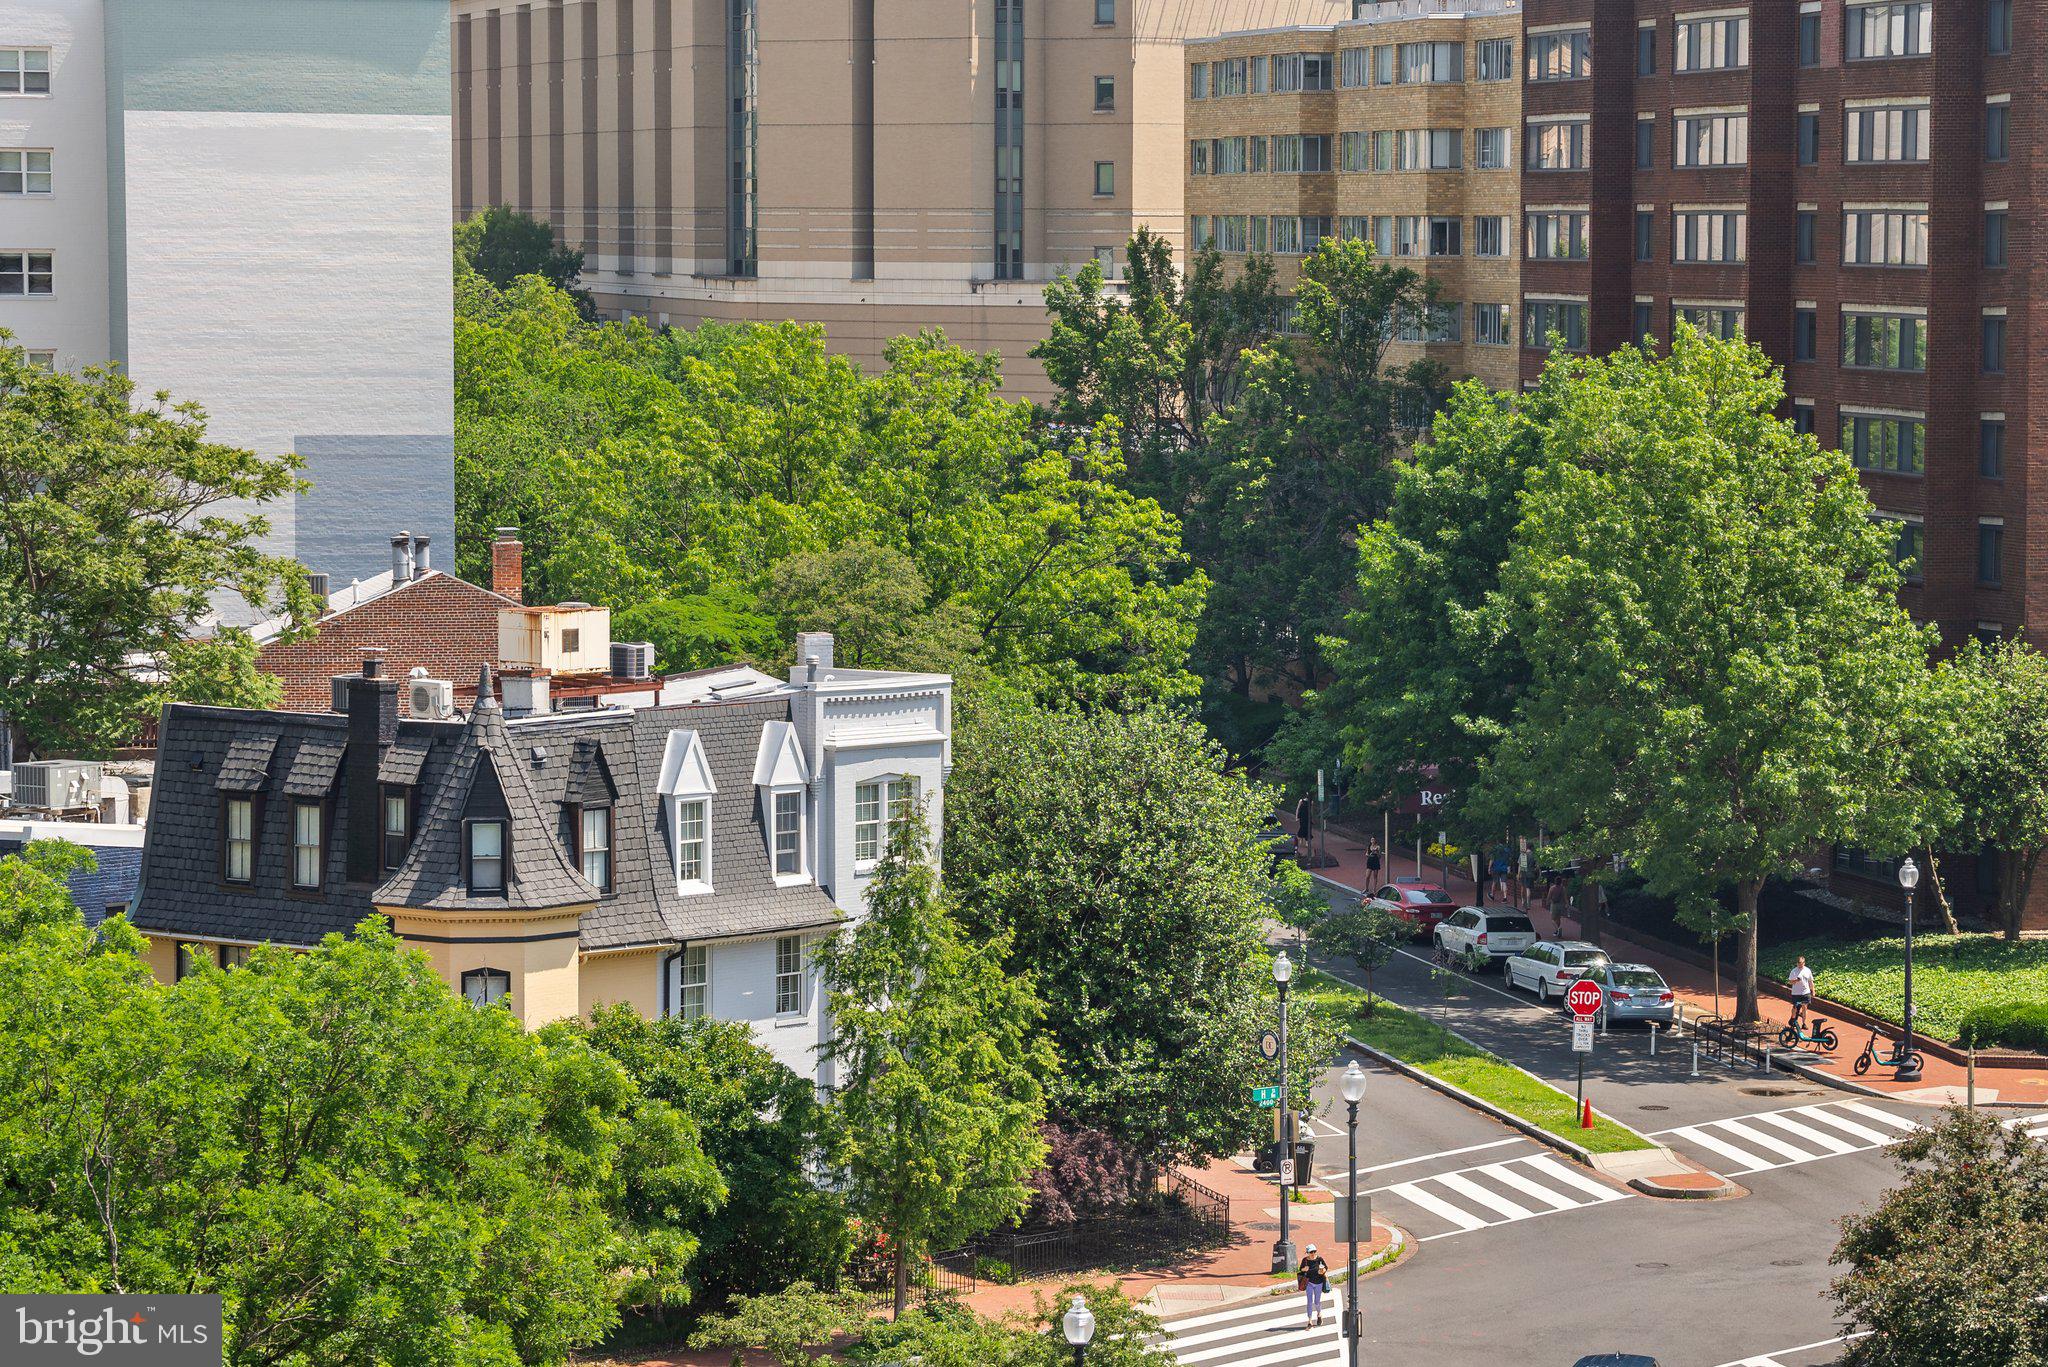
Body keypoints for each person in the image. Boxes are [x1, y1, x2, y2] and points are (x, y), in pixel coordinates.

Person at [1298, 1245, 1330, 1328]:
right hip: (1309, 1283)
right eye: (1311, 1252)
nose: (1313, 1253)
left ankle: (1319, 1314)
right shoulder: (1305, 1260)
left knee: (1317, 1302)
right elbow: (1300, 1269)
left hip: (1319, 1283)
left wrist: (1323, 1271)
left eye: (1314, 1251)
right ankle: (1309, 1320)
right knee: (1309, 1301)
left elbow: (1326, 1267)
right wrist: (1304, 1269)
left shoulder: (1319, 1259)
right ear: (1307, 1253)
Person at [1787, 955, 1815, 1027]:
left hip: (1805, 993)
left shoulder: (1807, 970)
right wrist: (1796, 980)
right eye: (1799, 963)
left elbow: (1810, 981)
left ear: (1804, 963)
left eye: (1802, 963)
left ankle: (1804, 1023)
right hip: (1796, 993)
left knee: (1804, 1007)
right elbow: (1790, 982)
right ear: (1797, 963)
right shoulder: (1794, 971)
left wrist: (1813, 991)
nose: (1800, 964)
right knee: (1795, 1007)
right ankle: (1793, 1019)